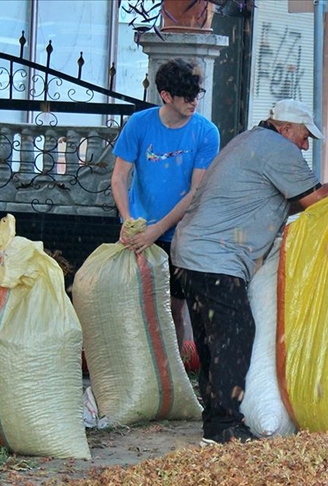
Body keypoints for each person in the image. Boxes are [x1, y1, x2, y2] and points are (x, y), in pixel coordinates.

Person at [171, 99, 328, 445]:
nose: (305, 145)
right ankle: (225, 424)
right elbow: (315, 201)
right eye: (304, 137)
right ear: (285, 129)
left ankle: (215, 423)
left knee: (213, 343)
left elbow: (281, 200)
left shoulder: (249, 141)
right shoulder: (277, 148)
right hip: (216, 259)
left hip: (190, 255)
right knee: (235, 335)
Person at [111, 58, 220, 361]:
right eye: (187, 96)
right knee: (133, 302)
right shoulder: (140, 124)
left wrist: (157, 230)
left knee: (174, 306)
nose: (194, 102)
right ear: (166, 95)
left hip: (180, 232)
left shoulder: (206, 133)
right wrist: (128, 221)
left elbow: (196, 191)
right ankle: (134, 369)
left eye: (197, 94)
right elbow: (119, 177)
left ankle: (175, 374)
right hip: (138, 228)